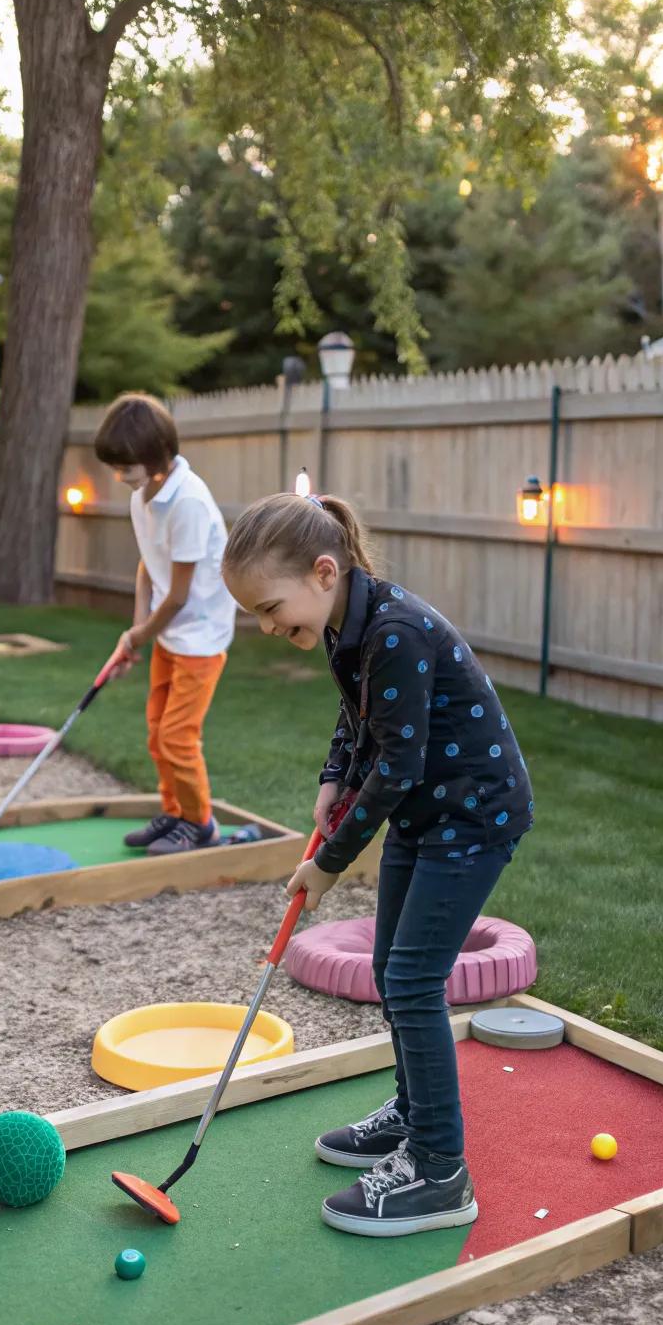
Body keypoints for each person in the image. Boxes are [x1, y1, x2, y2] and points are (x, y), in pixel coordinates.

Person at [222, 492, 533, 1237]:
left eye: (270, 607)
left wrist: (329, 861)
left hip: (472, 815)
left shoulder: (394, 631)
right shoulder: (343, 625)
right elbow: (357, 719)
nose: (267, 627)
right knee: (394, 966)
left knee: (412, 979)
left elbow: (396, 766)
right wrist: (334, 775)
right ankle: (414, 1109)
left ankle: (439, 1171)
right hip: (427, 813)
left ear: (323, 572)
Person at [95, 393, 236, 854]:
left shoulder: (188, 502)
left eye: (126, 465)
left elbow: (178, 595)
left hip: (200, 637)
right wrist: (136, 631)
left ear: (155, 453)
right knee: (157, 730)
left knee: (178, 736)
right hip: (170, 634)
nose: (120, 475)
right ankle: (175, 812)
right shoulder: (144, 495)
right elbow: (148, 566)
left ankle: (201, 825)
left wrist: (139, 634)